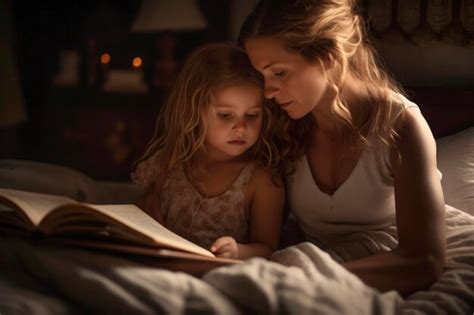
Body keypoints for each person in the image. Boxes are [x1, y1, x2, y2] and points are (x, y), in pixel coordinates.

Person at [239, 0, 445, 295]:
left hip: (390, 270)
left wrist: (308, 282)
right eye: (262, 77)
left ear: (329, 57)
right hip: (319, 265)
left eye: (279, 73)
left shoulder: (399, 125)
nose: (268, 92)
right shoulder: (283, 123)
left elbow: (424, 261)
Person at [132, 43, 285, 260]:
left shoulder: (262, 181)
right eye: (225, 115)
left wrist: (238, 251)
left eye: (252, 115)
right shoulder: (168, 163)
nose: (241, 128)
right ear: (193, 111)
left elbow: (268, 249)